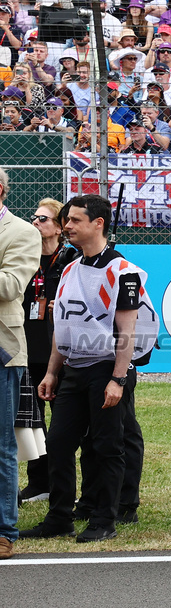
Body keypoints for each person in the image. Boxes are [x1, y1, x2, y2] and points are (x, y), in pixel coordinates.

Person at [21, 194, 157, 544]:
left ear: (98, 223)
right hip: (74, 370)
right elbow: (62, 326)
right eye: (65, 220)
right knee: (60, 443)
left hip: (106, 369)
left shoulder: (123, 271)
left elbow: (128, 332)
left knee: (107, 445)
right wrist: (53, 372)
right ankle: (59, 517)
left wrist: (118, 378)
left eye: (75, 220)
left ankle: (104, 519)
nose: (67, 226)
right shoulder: (69, 268)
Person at [0, 167, 40, 559]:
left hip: (2, 351)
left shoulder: (22, 232)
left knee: (1, 447)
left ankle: (4, 531)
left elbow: (11, 285)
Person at [16, 199, 67, 505]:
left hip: (60, 354)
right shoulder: (25, 256)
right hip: (28, 350)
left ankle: (63, 484)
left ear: (60, 227)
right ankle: (39, 482)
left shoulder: (70, 259)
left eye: (43, 219)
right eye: (33, 217)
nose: (36, 222)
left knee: (63, 425)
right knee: (32, 422)